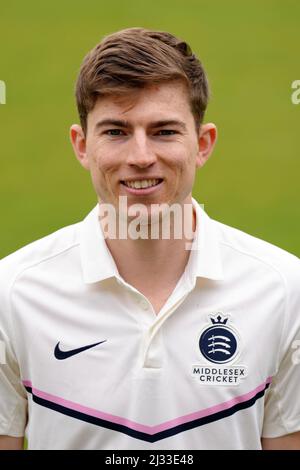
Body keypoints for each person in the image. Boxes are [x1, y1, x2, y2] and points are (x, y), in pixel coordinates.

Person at [0, 27, 300, 451]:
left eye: (164, 131)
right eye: (116, 132)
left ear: (203, 144)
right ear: (82, 145)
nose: (140, 157)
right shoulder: (11, 292)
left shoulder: (285, 289)